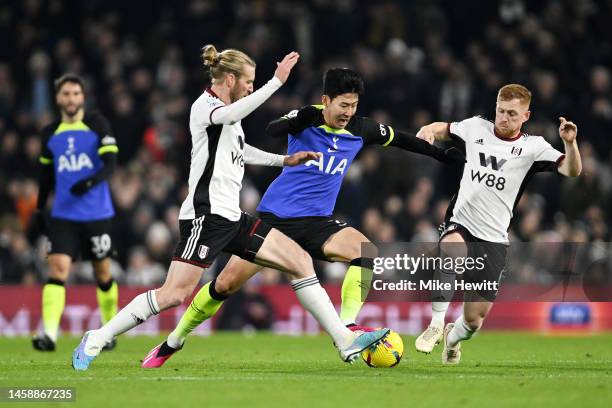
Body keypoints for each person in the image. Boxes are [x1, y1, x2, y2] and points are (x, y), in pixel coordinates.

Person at [72, 46, 390, 371]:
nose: (251, 87)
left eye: (256, 82)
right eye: (249, 81)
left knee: (300, 260)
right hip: (205, 217)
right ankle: (96, 337)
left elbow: (242, 150)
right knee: (173, 294)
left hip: (233, 218)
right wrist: (276, 83)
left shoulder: (229, 114)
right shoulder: (206, 107)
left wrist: (284, 160)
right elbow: (230, 117)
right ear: (231, 78)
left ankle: (344, 339)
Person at [141, 67, 463, 368]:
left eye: (353, 105)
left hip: (318, 223)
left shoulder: (362, 129)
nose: (348, 112)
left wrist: (441, 154)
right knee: (224, 284)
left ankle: (347, 326)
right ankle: (173, 341)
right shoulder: (307, 118)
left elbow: (404, 139)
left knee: (366, 252)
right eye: (342, 105)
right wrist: (300, 117)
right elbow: (273, 128)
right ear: (325, 101)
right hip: (275, 221)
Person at [413, 83, 582, 364]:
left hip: (493, 238)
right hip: (461, 222)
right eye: (501, 111)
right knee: (452, 249)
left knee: (473, 321)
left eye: (512, 114)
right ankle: (435, 324)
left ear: (526, 116)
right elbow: (445, 128)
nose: (504, 118)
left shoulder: (533, 147)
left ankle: (453, 338)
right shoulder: (476, 127)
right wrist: (429, 129)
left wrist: (570, 143)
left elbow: (572, 171)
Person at [32, 73, 120, 352]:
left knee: (103, 273)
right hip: (63, 215)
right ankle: (49, 334)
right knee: (57, 270)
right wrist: (39, 208)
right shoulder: (49, 132)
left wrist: (90, 182)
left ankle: (109, 329)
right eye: (65, 94)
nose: (70, 99)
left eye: (75, 94)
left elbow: (111, 163)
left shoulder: (97, 124)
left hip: (96, 213)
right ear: (58, 98)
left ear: (82, 97)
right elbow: (45, 175)